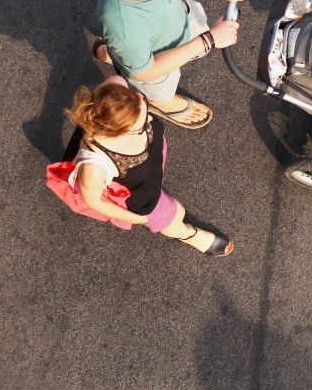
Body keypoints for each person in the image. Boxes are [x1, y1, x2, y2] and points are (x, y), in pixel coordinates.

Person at [94, 0, 248, 128]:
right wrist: (209, 39)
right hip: (155, 62)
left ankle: (117, 56)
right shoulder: (125, 30)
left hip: (170, 22)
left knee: (129, 54)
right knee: (154, 84)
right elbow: (146, 72)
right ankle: (161, 103)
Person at [64, 77, 233, 256]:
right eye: (140, 125)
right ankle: (188, 234)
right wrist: (136, 218)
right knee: (171, 217)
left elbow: (119, 79)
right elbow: (93, 200)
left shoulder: (114, 89)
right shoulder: (95, 167)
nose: (150, 117)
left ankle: (168, 204)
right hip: (141, 196)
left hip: (149, 165)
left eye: (140, 100)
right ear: (119, 132)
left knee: (163, 186)